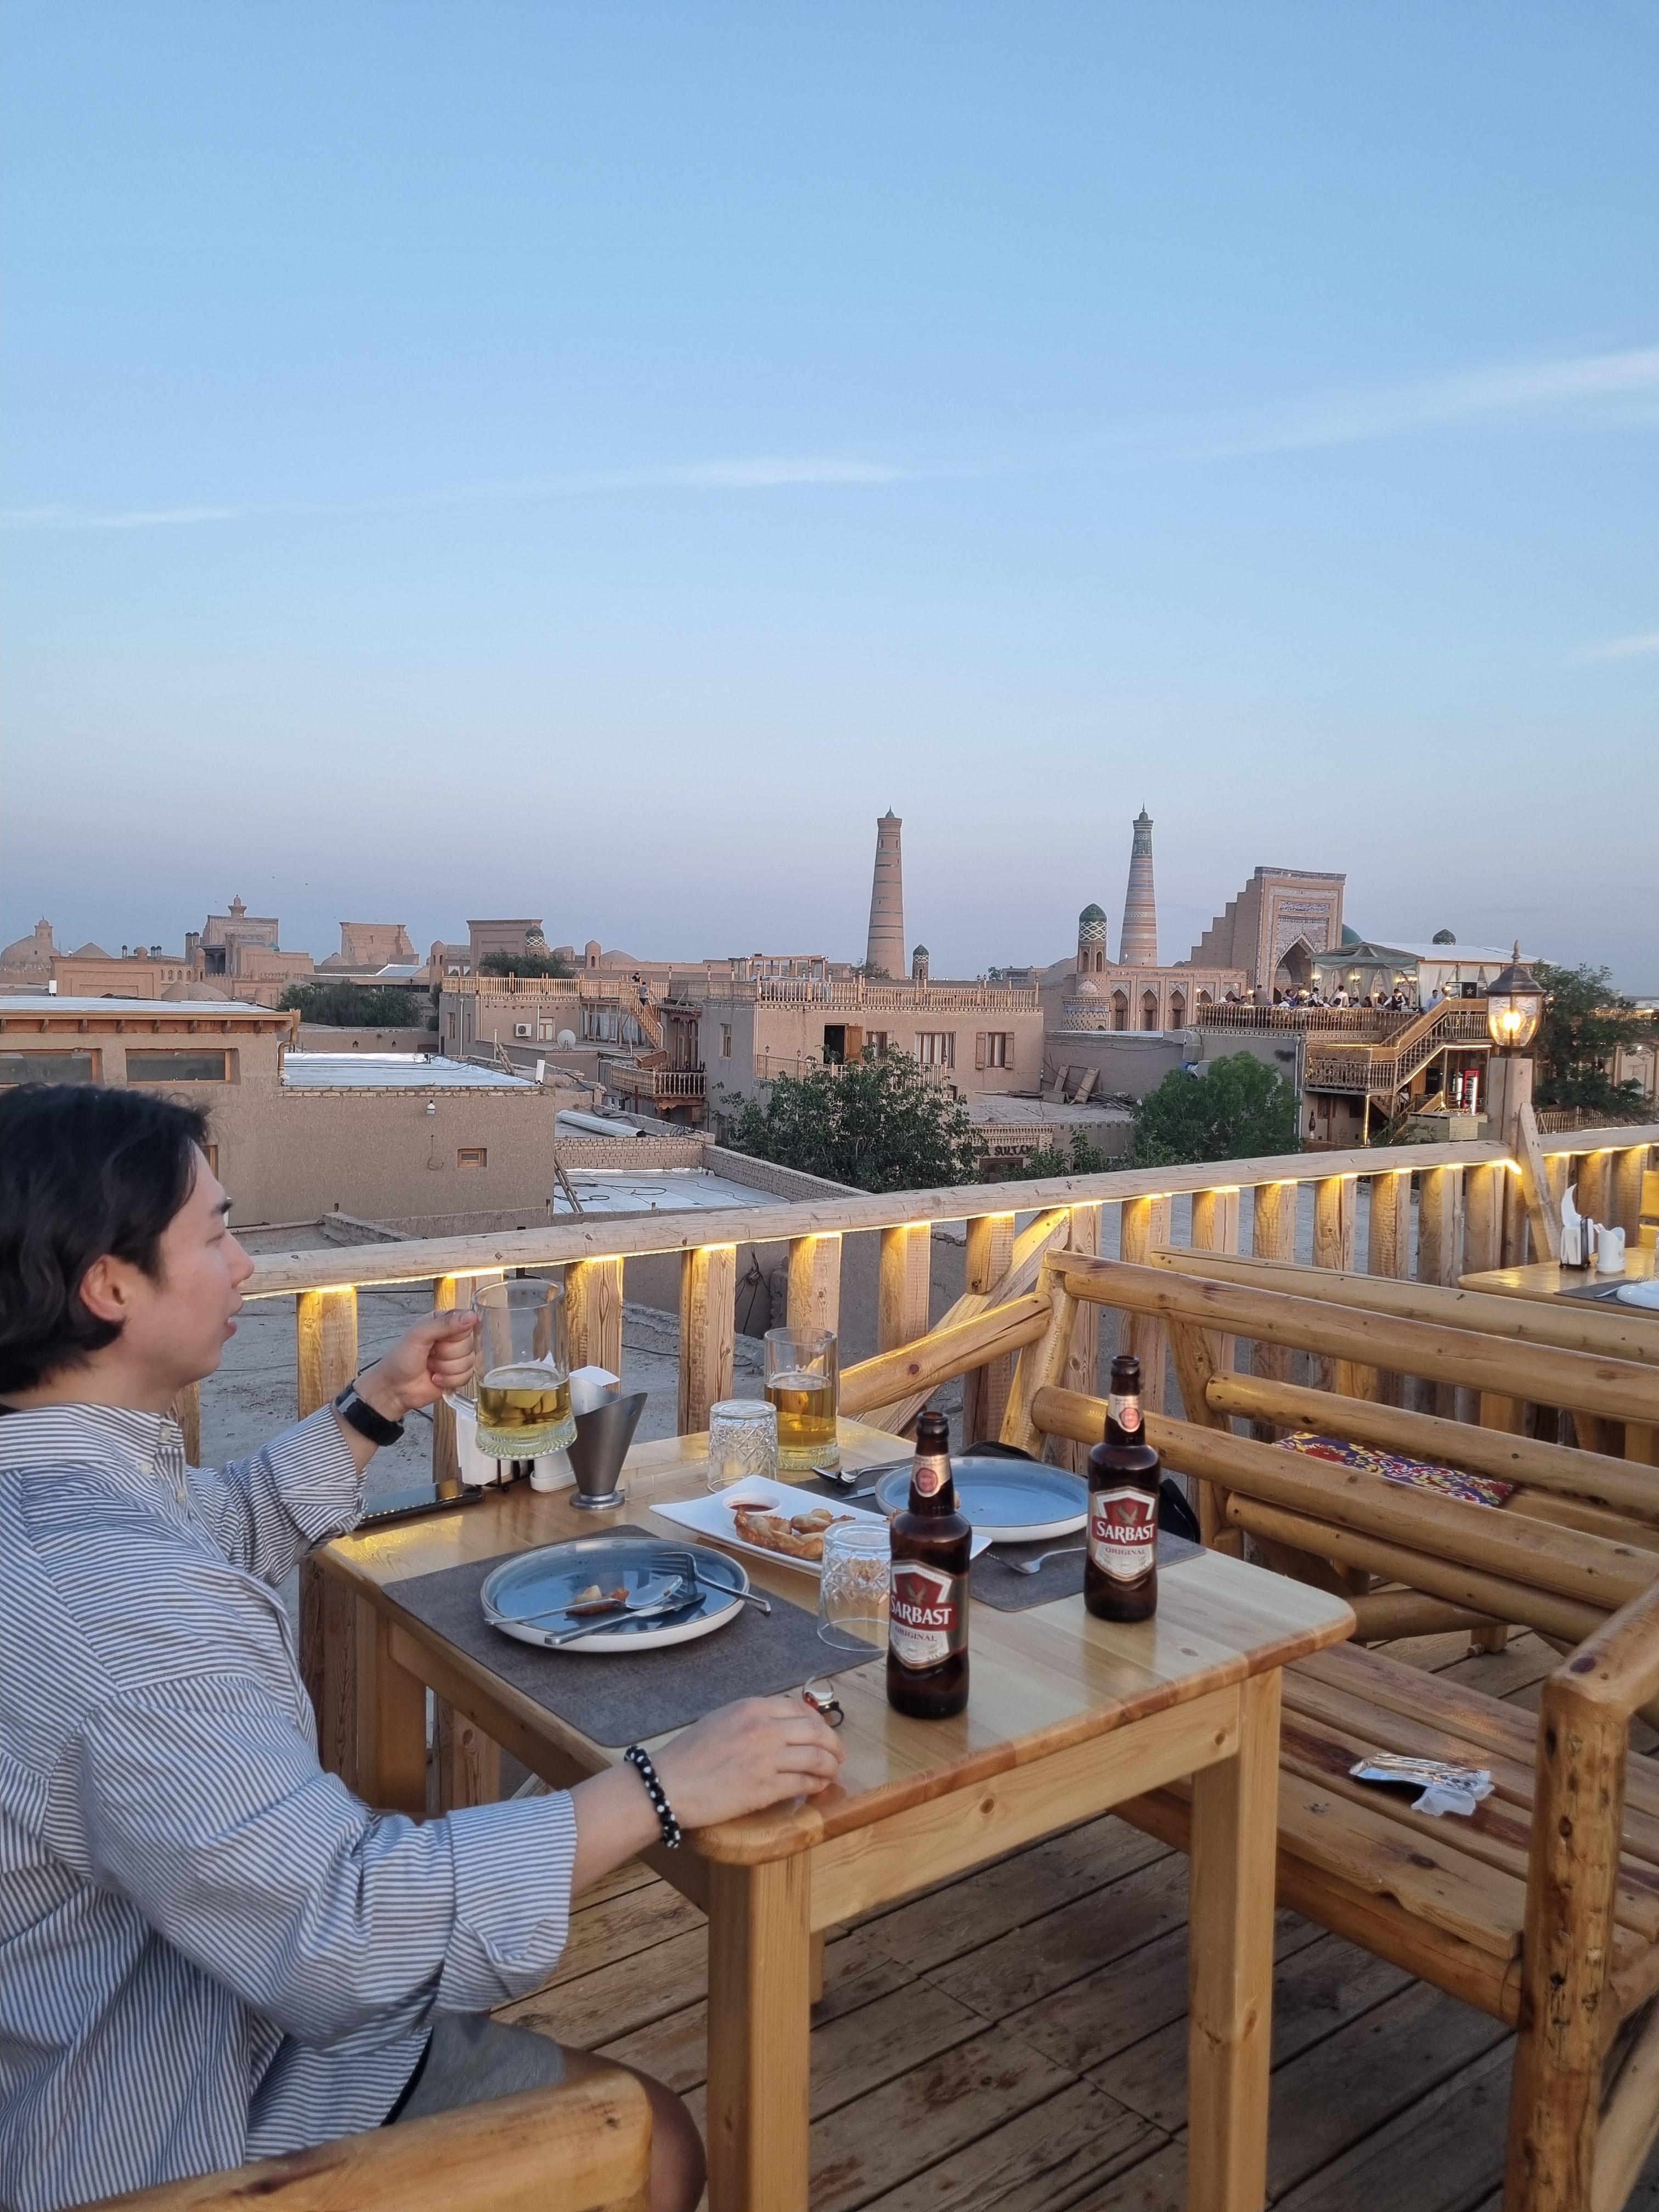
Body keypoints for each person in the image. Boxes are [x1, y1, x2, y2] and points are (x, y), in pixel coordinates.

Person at [0, 1086, 844, 2212]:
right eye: (215, 1235)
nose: (246, 1265)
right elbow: (342, 1933)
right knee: (661, 2147)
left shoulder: (64, 1498)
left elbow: (221, 1528)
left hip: (175, 1999)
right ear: (110, 1286)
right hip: (163, 2107)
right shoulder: (107, 1596)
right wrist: (658, 1785)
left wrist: (375, 1404)